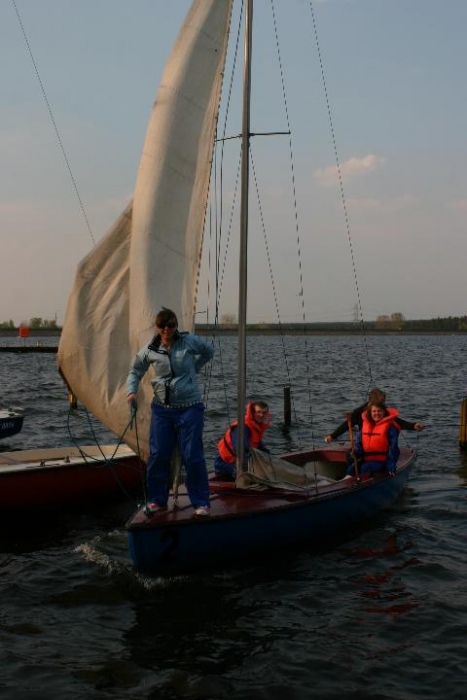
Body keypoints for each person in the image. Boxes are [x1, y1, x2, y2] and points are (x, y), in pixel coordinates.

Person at [126, 308, 214, 517]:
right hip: (162, 410)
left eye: (171, 325)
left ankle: (201, 502)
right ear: (157, 328)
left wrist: (194, 369)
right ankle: (157, 500)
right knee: (158, 455)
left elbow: (208, 351)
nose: (167, 329)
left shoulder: (189, 342)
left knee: (192, 454)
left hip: (190, 407)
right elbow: (135, 370)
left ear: (176, 326)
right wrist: (131, 391)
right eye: (162, 325)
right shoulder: (150, 349)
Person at [324, 387, 424, 443]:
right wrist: (332, 436)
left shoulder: (384, 412)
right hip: (365, 443)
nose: (382, 406)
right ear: (371, 402)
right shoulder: (359, 412)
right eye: (380, 403)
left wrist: (413, 426)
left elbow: (399, 423)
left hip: (381, 443)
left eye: (383, 403)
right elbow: (346, 425)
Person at [214, 400, 271, 480]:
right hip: (225, 464)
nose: (261, 415)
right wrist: (247, 467)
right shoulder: (243, 427)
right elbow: (239, 449)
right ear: (253, 413)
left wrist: (269, 458)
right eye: (258, 412)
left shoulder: (256, 427)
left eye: (264, 413)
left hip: (241, 461)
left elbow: (258, 446)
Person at [347, 400, 400, 477]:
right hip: (366, 459)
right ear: (370, 413)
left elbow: (394, 448)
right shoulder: (365, 426)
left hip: (383, 462)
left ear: (384, 412)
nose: (376, 413)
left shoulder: (390, 428)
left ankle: (363, 480)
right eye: (374, 411)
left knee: (366, 467)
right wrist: (354, 453)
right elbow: (359, 444)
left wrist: (391, 465)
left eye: (379, 411)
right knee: (350, 470)